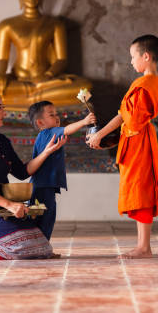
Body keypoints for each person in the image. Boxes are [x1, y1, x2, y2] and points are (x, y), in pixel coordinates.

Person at [0, 83, 66, 260]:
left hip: (3, 210)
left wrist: (47, 151)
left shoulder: (1, 140)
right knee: (29, 247)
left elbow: (22, 171)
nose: (4, 112)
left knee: (42, 245)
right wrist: (10, 205)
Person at [87, 35, 158, 259]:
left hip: (139, 140)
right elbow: (127, 116)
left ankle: (144, 247)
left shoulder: (145, 85)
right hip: (137, 138)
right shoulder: (147, 83)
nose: (131, 62)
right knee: (139, 189)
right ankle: (143, 245)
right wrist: (105, 138)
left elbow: (128, 119)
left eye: (133, 57)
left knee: (141, 190)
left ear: (146, 56)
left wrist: (101, 135)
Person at [27, 101, 96, 240]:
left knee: (41, 217)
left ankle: (39, 246)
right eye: (51, 114)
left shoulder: (44, 136)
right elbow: (66, 130)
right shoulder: (49, 133)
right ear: (40, 123)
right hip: (43, 186)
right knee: (46, 217)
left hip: (41, 185)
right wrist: (84, 121)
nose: (56, 117)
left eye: (56, 113)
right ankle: (41, 247)